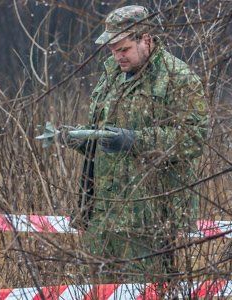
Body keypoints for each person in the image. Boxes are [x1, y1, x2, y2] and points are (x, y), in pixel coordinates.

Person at [60, 5, 208, 284]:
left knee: (143, 290)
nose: (117, 56)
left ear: (146, 40)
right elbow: (104, 135)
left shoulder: (177, 78)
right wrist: (76, 137)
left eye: (124, 48)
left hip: (148, 219)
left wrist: (134, 140)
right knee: (92, 290)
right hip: (100, 213)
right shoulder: (112, 75)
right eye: (113, 49)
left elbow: (193, 138)